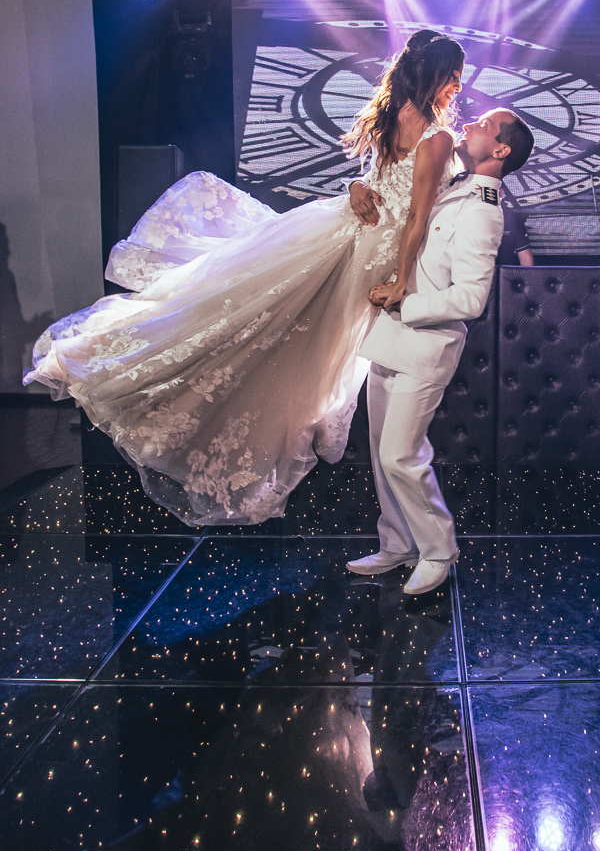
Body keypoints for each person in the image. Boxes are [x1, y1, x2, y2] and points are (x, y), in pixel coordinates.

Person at [24, 30, 466, 526]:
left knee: (274, 337)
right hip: (366, 250)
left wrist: (359, 191)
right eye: (452, 76)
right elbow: (414, 216)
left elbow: (398, 196)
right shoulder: (436, 136)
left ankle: (203, 422)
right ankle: (155, 394)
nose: (457, 86)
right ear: (432, 75)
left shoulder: (398, 116)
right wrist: (398, 272)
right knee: (268, 335)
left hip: (355, 242)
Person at [347, 108, 534, 595]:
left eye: (484, 126)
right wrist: (355, 186)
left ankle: (438, 551)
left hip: (427, 346)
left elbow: (471, 300)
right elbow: (393, 196)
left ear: (501, 150)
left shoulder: (484, 211)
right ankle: (397, 544)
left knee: (400, 456)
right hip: (390, 337)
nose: (469, 125)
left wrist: (404, 303)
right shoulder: (452, 180)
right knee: (380, 454)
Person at [496, 198, 535, 266]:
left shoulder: (512, 218)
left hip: (503, 270)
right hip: (479, 269)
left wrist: (527, 273)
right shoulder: (476, 214)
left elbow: (525, 257)